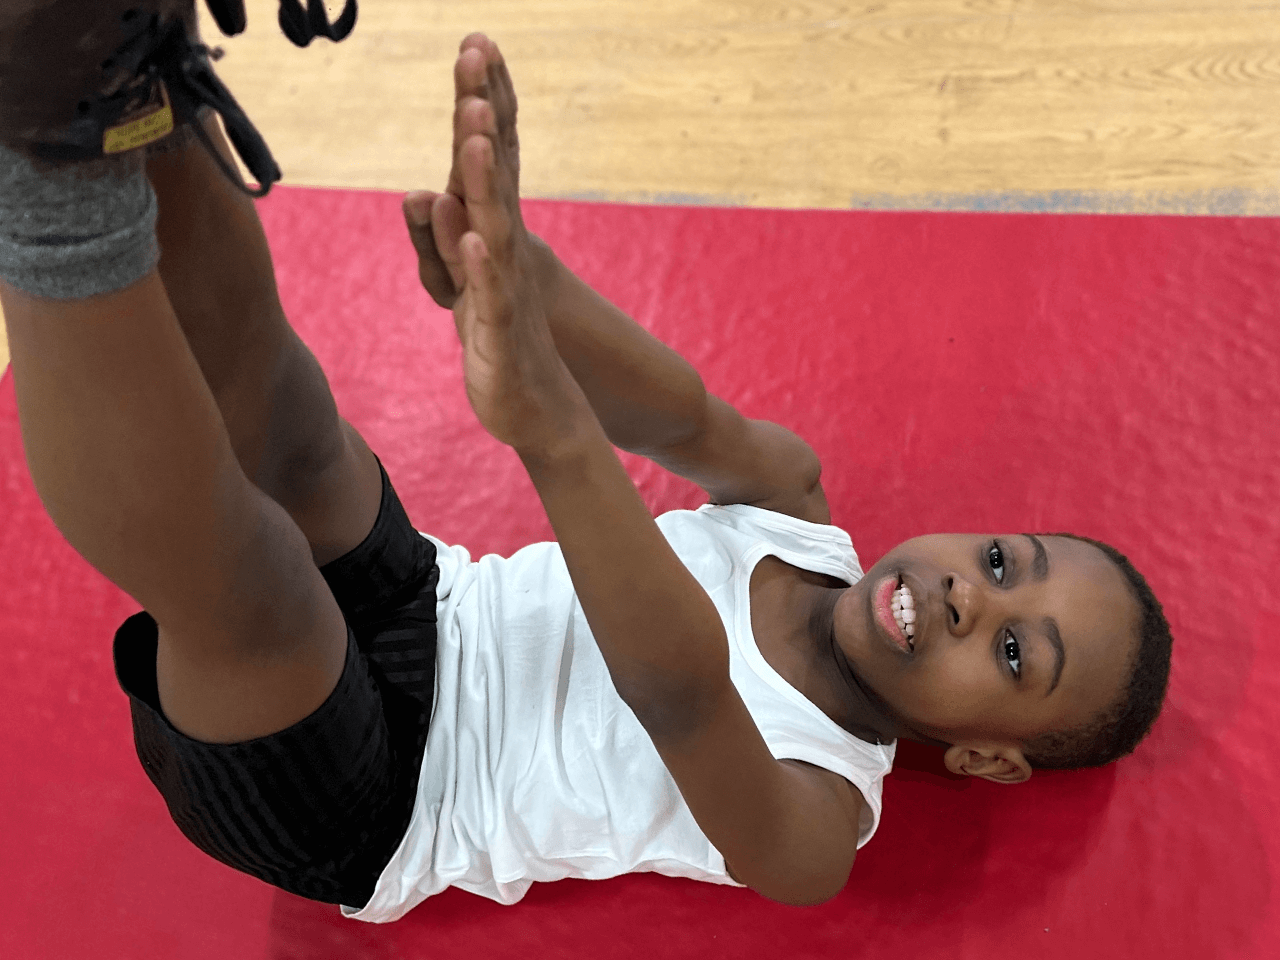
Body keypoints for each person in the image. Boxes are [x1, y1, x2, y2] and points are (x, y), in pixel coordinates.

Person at [0, 2, 1171, 924]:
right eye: (1005, 560)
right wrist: (518, 272)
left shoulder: (817, 823)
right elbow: (678, 415)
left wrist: (548, 428)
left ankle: (40, 174)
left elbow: (678, 692)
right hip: (432, 604)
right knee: (294, 428)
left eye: (1015, 651)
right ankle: (114, 77)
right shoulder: (799, 511)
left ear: (982, 758)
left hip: (382, 806)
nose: (974, 594)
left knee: (253, 579)